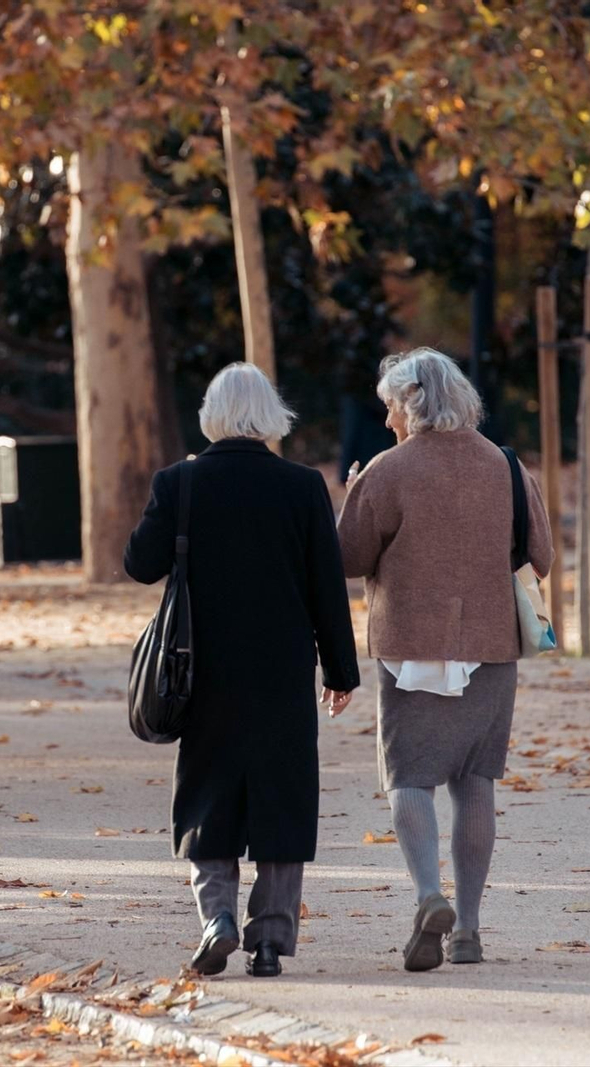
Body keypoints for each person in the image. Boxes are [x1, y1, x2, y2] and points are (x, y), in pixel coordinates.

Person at [124, 362, 360, 979]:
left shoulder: (181, 483)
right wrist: (341, 670)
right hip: (281, 668)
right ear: (270, 415)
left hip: (202, 669)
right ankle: (269, 943)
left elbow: (138, 564)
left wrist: (168, 516)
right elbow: (326, 589)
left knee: (208, 795)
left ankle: (217, 920)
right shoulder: (303, 486)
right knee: (282, 799)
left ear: (212, 414)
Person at [335, 347, 553, 972]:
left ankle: (430, 895)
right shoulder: (506, 466)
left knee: (409, 778)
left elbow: (347, 558)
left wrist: (354, 493)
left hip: (409, 645)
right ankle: (472, 932)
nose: (386, 424)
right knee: (475, 781)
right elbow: (541, 557)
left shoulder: (386, 469)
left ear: (410, 404)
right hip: (490, 646)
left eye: (389, 410)